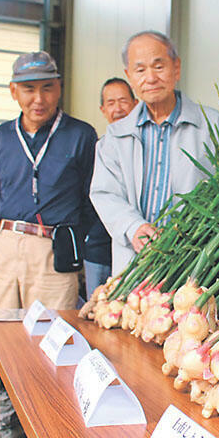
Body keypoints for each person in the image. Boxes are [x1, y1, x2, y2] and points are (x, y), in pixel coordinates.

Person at [0, 51, 103, 438]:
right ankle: (8, 435)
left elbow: (90, 198)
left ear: (59, 88)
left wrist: (76, 246)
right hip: (7, 245)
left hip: (55, 251)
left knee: (52, 352)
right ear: (14, 92)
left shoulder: (81, 135)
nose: (38, 97)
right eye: (28, 89)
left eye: (47, 87)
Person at [91, 31, 219, 275]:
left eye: (159, 67)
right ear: (129, 76)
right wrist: (133, 226)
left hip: (194, 264)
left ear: (176, 68)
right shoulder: (115, 136)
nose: (150, 78)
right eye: (140, 70)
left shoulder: (212, 124)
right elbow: (105, 193)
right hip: (134, 265)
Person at [82, 78, 138, 298]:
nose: (118, 108)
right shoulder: (98, 147)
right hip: (97, 250)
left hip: (135, 250)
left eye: (123, 101)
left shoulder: (146, 146)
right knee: (99, 312)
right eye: (111, 103)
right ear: (103, 109)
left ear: (135, 104)